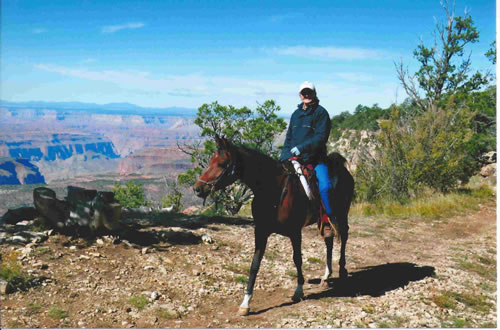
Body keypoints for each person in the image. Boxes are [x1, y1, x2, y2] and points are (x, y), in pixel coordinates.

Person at [280, 81, 335, 236]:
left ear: (314, 93)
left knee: (325, 187)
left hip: (315, 159)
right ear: (300, 95)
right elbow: (289, 138)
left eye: (309, 92)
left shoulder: (321, 113)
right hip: (295, 159)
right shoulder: (296, 115)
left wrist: (302, 148)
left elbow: (320, 137)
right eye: (304, 93)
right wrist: (284, 156)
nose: (306, 95)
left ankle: (327, 220)